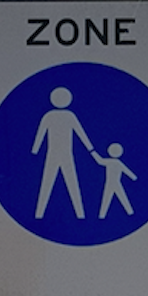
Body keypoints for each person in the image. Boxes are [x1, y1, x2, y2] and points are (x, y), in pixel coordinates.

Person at [32, 86, 94, 219]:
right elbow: (81, 135)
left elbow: (40, 135)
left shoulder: (50, 116)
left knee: (53, 182)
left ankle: (40, 213)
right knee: (65, 182)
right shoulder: (67, 116)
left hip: (57, 154)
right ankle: (79, 214)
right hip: (60, 154)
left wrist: (35, 150)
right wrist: (91, 150)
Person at [91, 143, 137, 218]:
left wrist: (93, 152)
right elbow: (127, 171)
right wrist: (133, 177)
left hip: (113, 183)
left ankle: (102, 215)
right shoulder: (117, 163)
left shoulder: (112, 162)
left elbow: (99, 161)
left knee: (110, 197)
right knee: (115, 197)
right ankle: (102, 215)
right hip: (112, 182)